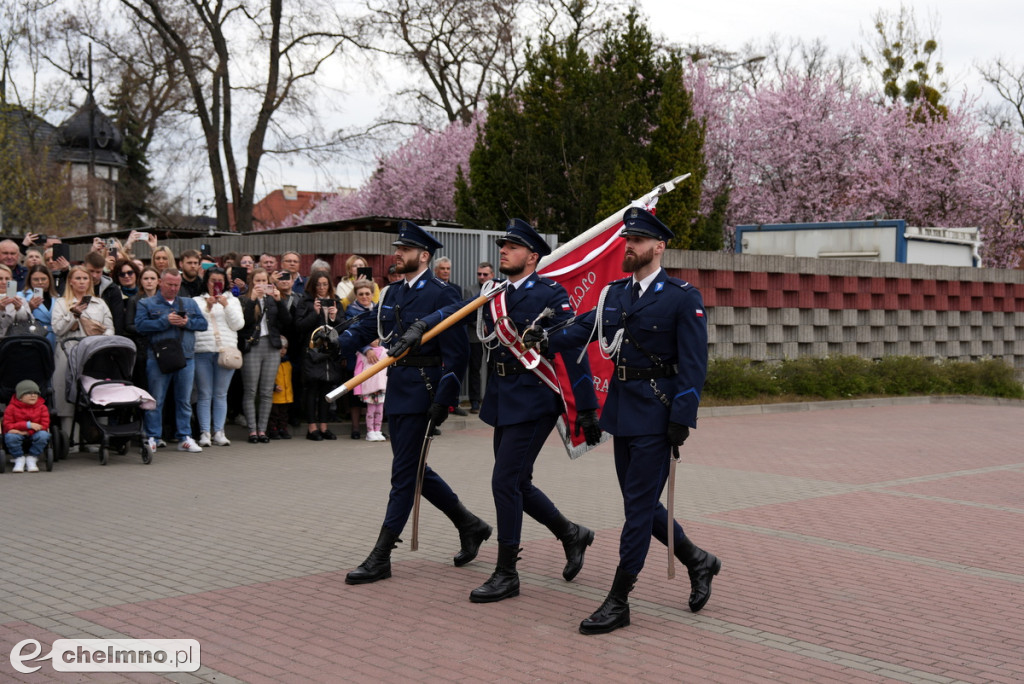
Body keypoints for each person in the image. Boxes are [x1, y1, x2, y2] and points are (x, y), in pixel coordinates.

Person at [524, 207, 720, 634]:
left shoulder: (681, 297)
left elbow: (694, 364)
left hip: (658, 412)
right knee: (641, 506)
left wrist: (682, 417)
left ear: (659, 246)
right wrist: (546, 337)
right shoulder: (615, 293)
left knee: (636, 514)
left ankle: (619, 599)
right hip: (623, 412)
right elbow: (584, 329)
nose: (628, 246)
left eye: (637, 240)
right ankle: (698, 560)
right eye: (627, 239)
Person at [390, 219, 601, 604]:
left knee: (504, 482)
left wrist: (586, 408)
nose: (503, 251)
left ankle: (507, 572)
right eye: (502, 245)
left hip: (536, 397)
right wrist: (423, 324)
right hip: (503, 397)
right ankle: (571, 534)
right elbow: (455, 311)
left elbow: (574, 350)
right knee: (517, 483)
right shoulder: (494, 292)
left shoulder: (551, 294)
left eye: (513, 247)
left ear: (532, 256)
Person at [338, 221, 491, 584]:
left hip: (424, 389)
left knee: (404, 473)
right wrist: (339, 338)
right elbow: (371, 327)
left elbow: (455, 356)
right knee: (414, 468)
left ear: (423, 256)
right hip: (399, 388)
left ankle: (382, 554)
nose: (397, 254)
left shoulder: (443, 293)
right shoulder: (391, 292)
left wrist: (445, 400)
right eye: (397, 249)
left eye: (404, 250)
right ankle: (470, 525)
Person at [134, 268, 209, 454]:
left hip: (186, 357)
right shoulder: (146, 303)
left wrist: (187, 323)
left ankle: (184, 437)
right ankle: (153, 437)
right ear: (161, 282)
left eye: (177, 285)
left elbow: (203, 324)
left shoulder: (189, 302)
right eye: (170, 284)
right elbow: (141, 326)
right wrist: (165, 320)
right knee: (156, 399)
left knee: (184, 399)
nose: (174, 288)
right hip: (158, 358)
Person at [52, 266, 115, 439]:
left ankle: (99, 438)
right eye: (78, 278)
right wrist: (73, 315)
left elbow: (110, 330)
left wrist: (98, 338)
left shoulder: (99, 303)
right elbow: (57, 330)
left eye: (85, 278)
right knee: (66, 397)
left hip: (94, 354)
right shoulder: (61, 303)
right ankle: (69, 439)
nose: (82, 282)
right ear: (70, 281)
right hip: (67, 353)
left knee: (97, 394)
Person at [192, 267, 244, 447]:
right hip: (202, 350)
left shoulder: (233, 301)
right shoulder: (196, 301)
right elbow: (196, 323)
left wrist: (226, 305)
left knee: (221, 393)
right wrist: (208, 307)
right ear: (206, 281)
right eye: (213, 280)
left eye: (219, 281)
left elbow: (238, 324)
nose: (216, 284)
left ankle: (219, 432)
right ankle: (205, 432)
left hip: (226, 351)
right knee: (204, 394)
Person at [238, 267, 290, 443]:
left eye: (264, 281)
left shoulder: (272, 299)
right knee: (251, 390)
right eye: (257, 281)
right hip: (253, 346)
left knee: (267, 391)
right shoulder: (244, 299)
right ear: (252, 282)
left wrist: (279, 300)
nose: (261, 284)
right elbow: (242, 324)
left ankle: (263, 430)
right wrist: (253, 300)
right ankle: (252, 430)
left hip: (272, 346)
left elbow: (287, 322)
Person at [294, 270, 344, 441]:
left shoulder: (336, 301)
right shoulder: (306, 301)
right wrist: (314, 313)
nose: (322, 288)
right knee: (311, 389)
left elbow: (343, 327)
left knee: (326, 389)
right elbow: (299, 326)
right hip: (312, 352)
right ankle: (312, 427)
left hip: (329, 352)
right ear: (313, 286)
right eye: (318, 284)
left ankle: (324, 427)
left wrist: (334, 317)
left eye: (325, 284)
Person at [343, 279, 376, 438]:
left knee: (377, 393)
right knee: (356, 395)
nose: (364, 297)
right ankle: (355, 428)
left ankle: (375, 428)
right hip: (357, 357)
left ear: (372, 294)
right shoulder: (351, 311)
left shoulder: (378, 309)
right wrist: (367, 347)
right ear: (356, 295)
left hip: (377, 358)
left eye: (367, 293)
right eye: (361, 294)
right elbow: (352, 333)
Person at [124, 266, 161, 389]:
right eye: (146, 278)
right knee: (144, 384)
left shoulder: (165, 301)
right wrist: (148, 328)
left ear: (158, 281)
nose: (149, 281)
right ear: (140, 281)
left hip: (162, 347)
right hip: (142, 348)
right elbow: (129, 326)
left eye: (152, 278)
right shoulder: (134, 300)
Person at [467, 262, 496, 413]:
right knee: (474, 369)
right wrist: (480, 325)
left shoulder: (498, 289)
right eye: (479, 274)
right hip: (474, 335)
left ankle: (491, 399)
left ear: (492, 274)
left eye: (485, 274)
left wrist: (490, 327)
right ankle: (474, 401)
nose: (482, 277)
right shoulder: (470, 290)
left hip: (493, 335)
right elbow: (466, 313)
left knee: (493, 367)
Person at [3, 379, 50, 473]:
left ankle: (32, 458)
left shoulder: (42, 407)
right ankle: (19, 458)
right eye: (28, 393)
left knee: (44, 435)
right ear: (20, 396)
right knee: (10, 437)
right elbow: (7, 425)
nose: (33, 395)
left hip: (33, 432)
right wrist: (28, 425)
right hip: (17, 433)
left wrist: (27, 431)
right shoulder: (11, 408)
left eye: (35, 393)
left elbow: (44, 425)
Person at [18, 264, 58, 347]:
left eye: (43, 279)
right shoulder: (21, 296)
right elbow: (15, 319)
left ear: (49, 280)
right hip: (32, 338)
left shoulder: (57, 297)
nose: (40, 282)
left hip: (54, 339)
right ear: (30, 281)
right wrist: (29, 308)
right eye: (36, 279)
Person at [268, 336, 293, 440]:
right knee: (274, 414)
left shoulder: (288, 363)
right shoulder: (271, 363)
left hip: (286, 395)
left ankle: (283, 428)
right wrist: (273, 386)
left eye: (285, 348)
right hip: (275, 395)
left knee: (284, 414)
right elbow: (268, 377)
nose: (283, 351)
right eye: (280, 348)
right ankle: (272, 429)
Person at [0, 264, 33, 336]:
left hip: (14, 343)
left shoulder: (20, 299)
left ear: (11, 280)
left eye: (7, 279)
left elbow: (29, 323)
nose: (4, 282)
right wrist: (1, 310)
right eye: (0, 279)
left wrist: (20, 309)